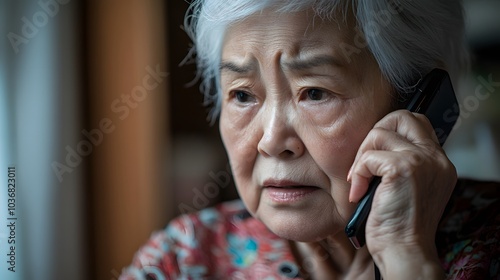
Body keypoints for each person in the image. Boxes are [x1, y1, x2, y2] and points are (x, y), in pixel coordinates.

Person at [120, 0, 500, 279]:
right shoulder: (183, 259)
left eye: (315, 92)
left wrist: (408, 259)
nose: (271, 141)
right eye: (242, 95)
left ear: (418, 105)